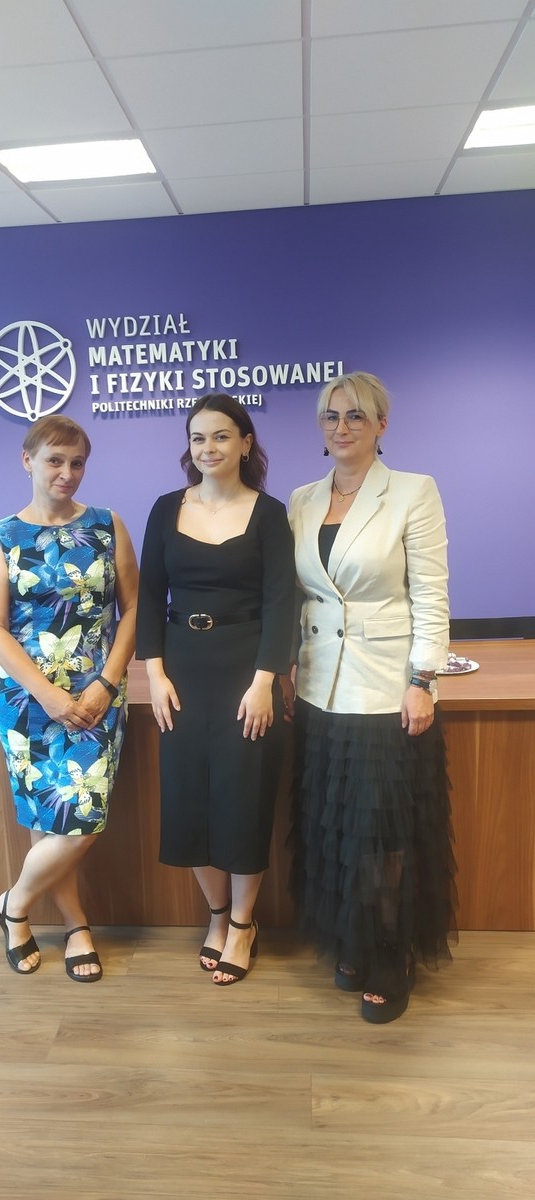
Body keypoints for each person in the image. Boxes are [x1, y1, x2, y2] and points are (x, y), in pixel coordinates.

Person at [284, 371, 457, 1023]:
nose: (341, 427)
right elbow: (296, 596)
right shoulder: (301, 499)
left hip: (387, 691)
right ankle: (352, 941)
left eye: (355, 415)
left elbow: (431, 594)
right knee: (336, 829)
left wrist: (423, 680)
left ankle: (391, 953)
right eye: (331, 417)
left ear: (381, 424)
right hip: (318, 687)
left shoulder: (412, 491)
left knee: (384, 831)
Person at [136, 393, 296, 986]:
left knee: (242, 798)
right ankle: (218, 913)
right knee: (190, 800)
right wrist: (154, 674)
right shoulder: (164, 509)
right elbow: (148, 596)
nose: (209, 448)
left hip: (246, 671)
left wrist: (265, 680)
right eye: (198, 437)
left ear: (246, 443)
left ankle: (245, 925)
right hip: (182, 670)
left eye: (222, 436)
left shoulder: (269, 513)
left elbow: (282, 601)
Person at [0, 414, 138, 982]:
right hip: (28, 702)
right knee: (50, 823)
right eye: (54, 460)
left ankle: (13, 904)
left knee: (81, 819)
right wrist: (46, 694)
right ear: (28, 461)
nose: (66, 472)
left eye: (76, 463)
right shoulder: (2, 535)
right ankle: (75, 926)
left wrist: (106, 683)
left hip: (97, 699)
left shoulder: (106, 525)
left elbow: (132, 610)